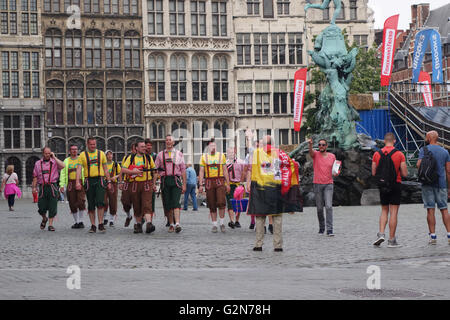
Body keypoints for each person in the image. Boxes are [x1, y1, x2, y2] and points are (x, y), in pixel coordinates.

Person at [246, 135, 299, 252]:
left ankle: (258, 244)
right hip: (275, 188)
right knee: (277, 217)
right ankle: (278, 245)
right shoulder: (279, 153)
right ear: (273, 143)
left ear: (262, 143)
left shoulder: (256, 153)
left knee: (260, 216)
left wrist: (249, 182)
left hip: (260, 188)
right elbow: (292, 165)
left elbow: (252, 166)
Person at [372, 132, 408, 248]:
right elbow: (405, 173)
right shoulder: (399, 154)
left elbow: (373, 173)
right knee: (394, 212)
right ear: (394, 141)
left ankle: (381, 234)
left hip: (383, 186)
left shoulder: (376, 154)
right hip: (395, 184)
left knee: (384, 210)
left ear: (384, 140)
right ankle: (392, 240)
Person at [416, 131, 450, 245]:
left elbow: (418, 165)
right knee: (444, 209)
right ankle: (449, 233)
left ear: (429, 138)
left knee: (430, 209)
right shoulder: (445, 152)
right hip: (441, 184)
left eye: (426, 136)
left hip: (427, 184)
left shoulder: (423, 150)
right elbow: (448, 171)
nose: (425, 138)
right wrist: (449, 186)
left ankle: (433, 236)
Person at [76, 137, 112, 233]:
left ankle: (100, 224)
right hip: (89, 181)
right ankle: (93, 225)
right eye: (91, 144)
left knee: (100, 203)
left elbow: (105, 169)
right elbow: (79, 169)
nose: (93, 146)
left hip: (100, 180)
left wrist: (109, 182)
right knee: (91, 204)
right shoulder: (82, 155)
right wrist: (77, 182)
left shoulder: (101, 154)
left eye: (94, 144)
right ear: (87, 145)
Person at [121, 140, 157, 234]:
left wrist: (153, 184)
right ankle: (138, 224)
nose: (144, 148)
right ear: (136, 148)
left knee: (147, 204)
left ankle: (149, 223)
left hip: (146, 183)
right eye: (142, 146)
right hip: (134, 184)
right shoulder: (131, 158)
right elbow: (123, 169)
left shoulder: (149, 158)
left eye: (144, 146)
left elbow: (154, 171)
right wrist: (134, 172)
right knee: (136, 205)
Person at [155, 134, 187, 233]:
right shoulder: (160, 155)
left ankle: (177, 223)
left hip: (176, 180)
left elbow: (183, 170)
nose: (168, 142)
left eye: (170, 140)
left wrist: (184, 184)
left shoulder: (179, 154)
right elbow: (155, 170)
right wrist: (153, 184)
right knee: (168, 204)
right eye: (167, 140)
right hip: (165, 181)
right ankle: (171, 224)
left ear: (173, 142)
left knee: (176, 202)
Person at [198, 138, 231, 233]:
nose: (213, 147)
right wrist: (200, 184)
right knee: (211, 204)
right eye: (211, 146)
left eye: (215, 146)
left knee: (221, 202)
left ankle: (222, 223)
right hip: (209, 182)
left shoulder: (221, 156)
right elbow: (201, 171)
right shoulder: (204, 157)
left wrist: (228, 184)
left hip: (220, 181)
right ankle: (214, 225)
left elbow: (225, 170)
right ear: (208, 147)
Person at [32, 147, 65, 231]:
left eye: (49, 153)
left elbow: (63, 166)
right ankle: (44, 218)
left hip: (52, 186)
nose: (47, 155)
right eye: (46, 153)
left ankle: (50, 225)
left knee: (52, 206)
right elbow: (35, 176)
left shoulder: (54, 162)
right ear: (43, 153)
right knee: (41, 207)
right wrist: (34, 187)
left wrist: (54, 157)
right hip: (42, 187)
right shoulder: (37, 163)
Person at [308, 138, 337, 236]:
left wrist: (336, 172)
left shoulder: (332, 156)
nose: (321, 146)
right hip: (317, 184)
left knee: (328, 206)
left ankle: (330, 229)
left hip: (329, 184)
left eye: (323, 145)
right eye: (319, 144)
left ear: (326, 146)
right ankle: (321, 227)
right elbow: (311, 152)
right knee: (319, 208)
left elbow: (336, 169)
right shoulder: (315, 155)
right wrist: (310, 144)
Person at [59, 144, 86, 229]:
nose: (74, 151)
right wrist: (62, 185)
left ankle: (81, 221)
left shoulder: (81, 160)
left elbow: (85, 170)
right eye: (73, 149)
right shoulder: (66, 161)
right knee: (72, 203)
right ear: (69, 151)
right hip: (70, 183)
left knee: (81, 201)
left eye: (76, 149)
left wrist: (85, 182)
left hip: (80, 182)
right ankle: (76, 222)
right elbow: (63, 173)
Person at [225, 147, 246, 228]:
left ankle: (237, 220)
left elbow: (244, 172)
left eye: (232, 152)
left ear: (235, 152)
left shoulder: (240, 162)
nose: (231, 154)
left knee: (238, 203)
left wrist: (241, 183)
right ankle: (232, 220)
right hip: (229, 184)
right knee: (230, 203)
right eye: (229, 153)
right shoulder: (225, 163)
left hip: (238, 184)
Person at [120, 143, 136, 228]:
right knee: (125, 201)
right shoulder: (126, 158)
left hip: (137, 182)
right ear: (131, 150)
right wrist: (120, 182)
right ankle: (129, 216)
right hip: (127, 182)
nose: (135, 151)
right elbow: (122, 170)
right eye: (134, 149)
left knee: (137, 202)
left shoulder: (142, 158)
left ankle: (138, 222)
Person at [103, 150, 121, 227]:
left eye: (111, 154)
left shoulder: (116, 164)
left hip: (113, 184)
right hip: (104, 183)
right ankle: (104, 217)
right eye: (108, 154)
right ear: (105, 156)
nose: (110, 156)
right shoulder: (103, 164)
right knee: (104, 201)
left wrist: (115, 177)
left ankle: (111, 220)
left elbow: (121, 173)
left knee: (113, 201)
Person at [145, 139, 159, 226]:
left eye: (150, 145)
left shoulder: (154, 156)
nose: (149, 147)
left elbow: (156, 171)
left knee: (151, 202)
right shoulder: (141, 155)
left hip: (150, 181)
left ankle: (149, 221)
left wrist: (154, 183)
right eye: (147, 145)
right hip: (141, 181)